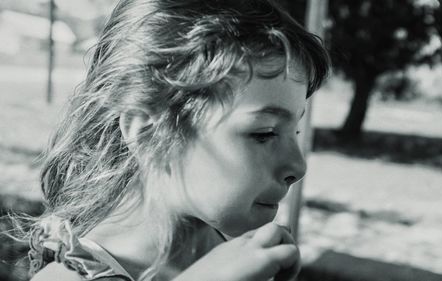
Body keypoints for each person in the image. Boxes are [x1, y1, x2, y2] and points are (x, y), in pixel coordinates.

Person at [23, 0, 330, 280]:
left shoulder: (241, 258)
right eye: (264, 133)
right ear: (148, 133)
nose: (298, 165)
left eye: (296, 131)